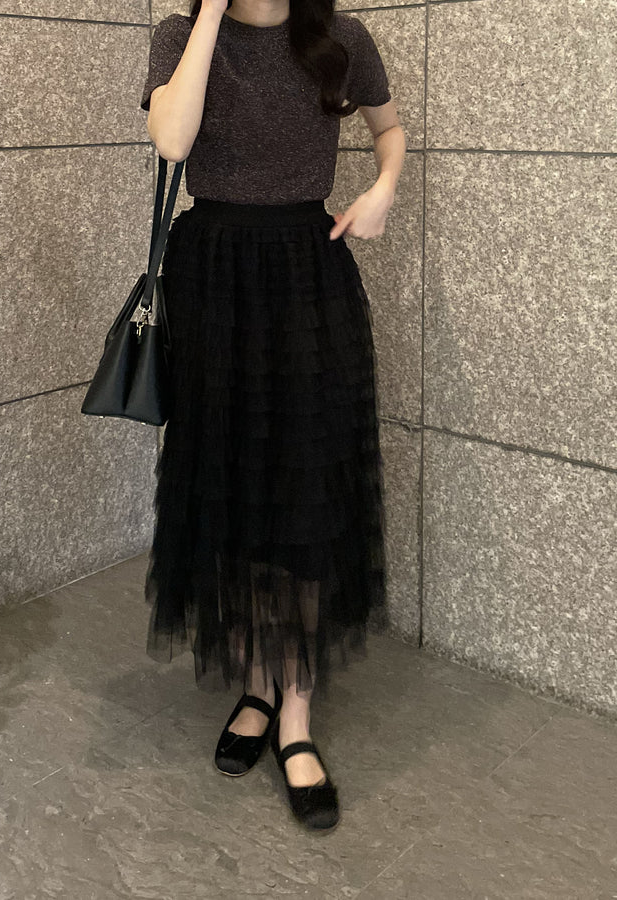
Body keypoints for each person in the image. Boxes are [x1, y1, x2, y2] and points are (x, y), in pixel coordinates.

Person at [139, 0, 405, 831]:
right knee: (233, 483)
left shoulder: (340, 38)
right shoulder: (180, 36)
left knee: (303, 486)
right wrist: (213, 11)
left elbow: (389, 129)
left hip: (306, 275)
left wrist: (382, 189)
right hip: (214, 278)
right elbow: (172, 141)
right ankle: (255, 685)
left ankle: (295, 713)